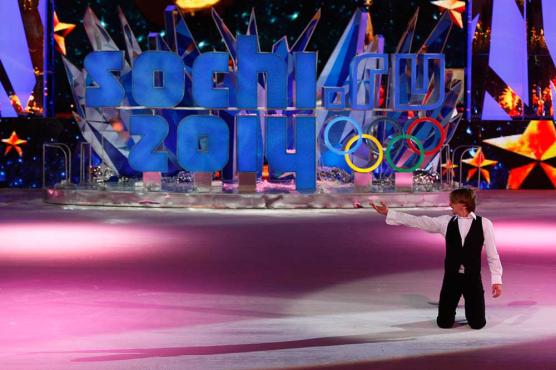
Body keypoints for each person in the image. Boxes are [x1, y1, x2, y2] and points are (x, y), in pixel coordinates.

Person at [370, 188, 503, 329]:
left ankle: (474, 312)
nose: (450, 204)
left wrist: (497, 280)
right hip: (451, 278)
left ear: (463, 204)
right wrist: (389, 213)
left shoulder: (484, 224)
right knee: (444, 323)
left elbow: (492, 255)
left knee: (477, 324)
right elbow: (418, 221)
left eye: (453, 202)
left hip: (472, 278)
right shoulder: (446, 222)